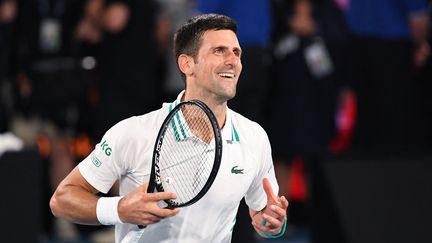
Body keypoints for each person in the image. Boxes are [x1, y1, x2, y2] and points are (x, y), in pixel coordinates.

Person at [50, 14, 288, 242]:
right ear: (186, 64)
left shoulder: (254, 137)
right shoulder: (134, 132)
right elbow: (62, 199)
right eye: (219, 51)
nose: (232, 61)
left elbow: (263, 215)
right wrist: (119, 209)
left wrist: (273, 224)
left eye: (236, 52)